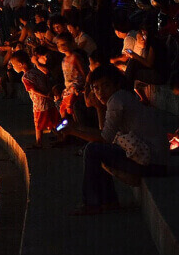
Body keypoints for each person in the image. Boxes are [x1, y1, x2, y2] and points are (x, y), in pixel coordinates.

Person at [64, 65, 169, 215]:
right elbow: (106, 133)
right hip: (154, 161)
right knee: (98, 149)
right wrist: (98, 109)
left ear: (116, 84)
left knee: (93, 149)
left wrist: (73, 131)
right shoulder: (122, 97)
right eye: (96, 88)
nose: (101, 92)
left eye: (106, 85)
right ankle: (109, 201)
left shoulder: (117, 100)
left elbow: (104, 138)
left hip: (152, 163)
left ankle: (92, 203)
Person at [10, 50, 60, 148]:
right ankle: (61, 136)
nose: (13, 67)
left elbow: (33, 90)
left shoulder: (25, 77)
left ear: (20, 64)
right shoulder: (37, 71)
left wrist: (45, 94)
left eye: (13, 65)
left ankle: (38, 142)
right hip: (49, 101)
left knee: (38, 123)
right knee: (54, 121)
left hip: (39, 103)